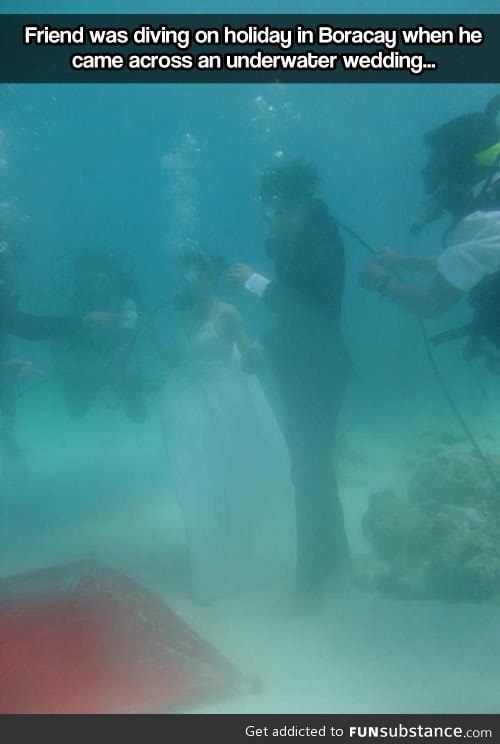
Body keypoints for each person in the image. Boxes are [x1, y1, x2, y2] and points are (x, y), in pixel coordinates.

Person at [227, 160, 352, 610]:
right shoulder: (308, 237)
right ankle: (334, 563)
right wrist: (267, 346)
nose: (269, 216)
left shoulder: (319, 238)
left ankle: (314, 579)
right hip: (311, 367)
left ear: (289, 205)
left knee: (309, 469)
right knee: (313, 468)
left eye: (274, 208)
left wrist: (254, 282)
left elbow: (309, 313)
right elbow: (301, 322)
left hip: (319, 370)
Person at [153, 247, 294, 604]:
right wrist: (147, 328)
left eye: (193, 275)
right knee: (200, 480)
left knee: (229, 476)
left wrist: (265, 355)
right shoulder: (185, 317)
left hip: (227, 404)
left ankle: (239, 556)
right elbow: (176, 360)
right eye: (182, 276)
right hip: (192, 407)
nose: (185, 282)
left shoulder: (226, 312)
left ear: (209, 278)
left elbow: (248, 356)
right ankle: (216, 556)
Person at [359, 95, 500, 350]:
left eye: (436, 167)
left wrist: (381, 282)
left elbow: (432, 304)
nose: (431, 185)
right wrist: (400, 260)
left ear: (460, 170)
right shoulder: (490, 206)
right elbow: (461, 260)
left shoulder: (487, 220)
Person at [52, 251, 146, 421]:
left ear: (111, 280)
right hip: (86, 363)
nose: (96, 288)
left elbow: (128, 339)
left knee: (138, 415)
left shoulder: (125, 303)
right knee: (75, 412)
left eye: (100, 281)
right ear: (81, 283)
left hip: (120, 364)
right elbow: (59, 335)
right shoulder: (74, 304)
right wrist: (60, 366)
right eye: (89, 282)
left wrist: (109, 367)